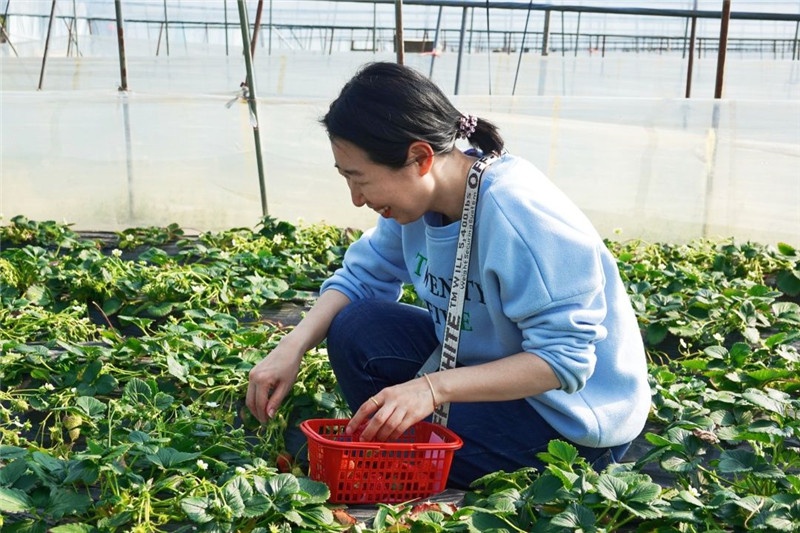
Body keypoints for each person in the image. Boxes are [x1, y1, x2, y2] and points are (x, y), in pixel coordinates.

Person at [246, 61, 651, 489]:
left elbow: (563, 362)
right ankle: (409, 453)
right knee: (356, 327)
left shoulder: (519, 212)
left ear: (420, 158)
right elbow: (360, 279)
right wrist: (291, 347)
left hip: (568, 419)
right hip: (487, 373)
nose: (356, 199)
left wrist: (432, 389)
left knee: (405, 439)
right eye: (346, 178)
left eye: (360, 179)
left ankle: (409, 460)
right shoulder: (416, 205)